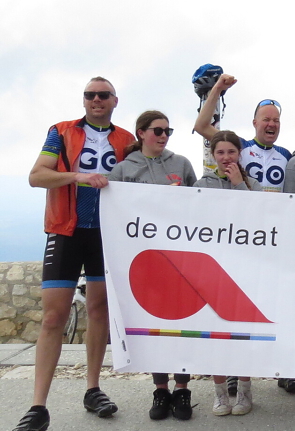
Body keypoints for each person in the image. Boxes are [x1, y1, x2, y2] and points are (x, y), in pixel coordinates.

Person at [18, 77, 133, 431]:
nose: (95, 99)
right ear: (83, 100)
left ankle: (93, 388)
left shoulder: (126, 140)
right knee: (53, 318)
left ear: (115, 100)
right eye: (89, 95)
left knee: (98, 310)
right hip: (65, 231)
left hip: (105, 234)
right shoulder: (61, 131)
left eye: (103, 95)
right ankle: (38, 406)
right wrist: (78, 177)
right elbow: (37, 176)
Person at [108, 110, 197, 420]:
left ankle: (183, 390)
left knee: (182, 326)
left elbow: (199, 206)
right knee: (155, 329)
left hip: (179, 258)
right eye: (157, 130)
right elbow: (112, 212)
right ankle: (161, 390)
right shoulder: (122, 170)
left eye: (168, 131)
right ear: (141, 133)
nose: (163, 136)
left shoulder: (181, 164)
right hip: (143, 261)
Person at [192, 130, 261, 416]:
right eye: (220, 152)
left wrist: (239, 186)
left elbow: (260, 219)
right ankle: (220, 393)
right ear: (213, 156)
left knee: (243, 332)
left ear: (239, 154)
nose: (226, 158)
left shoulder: (253, 184)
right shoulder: (201, 184)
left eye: (231, 152)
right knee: (214, 333)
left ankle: (244, 390)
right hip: (211, 268)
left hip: (245, 267)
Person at [193, 74, 292, 192]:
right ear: (255, 123)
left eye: (276, 120)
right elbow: (201, 127)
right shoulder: (239, 146)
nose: (271, 124)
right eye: (266, 120)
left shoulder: (286, 155)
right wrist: (218, 88)